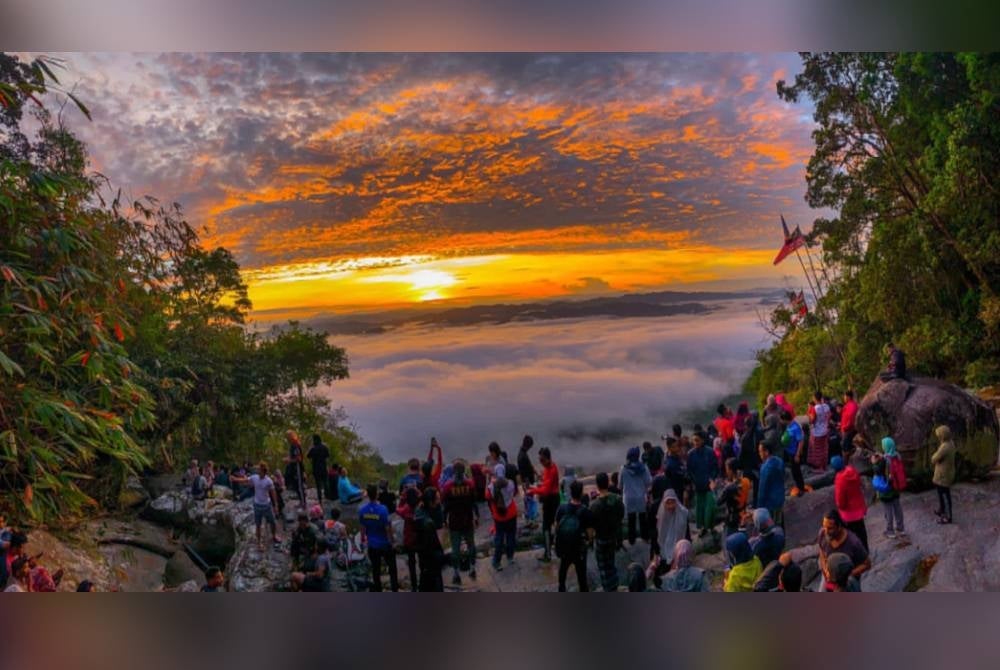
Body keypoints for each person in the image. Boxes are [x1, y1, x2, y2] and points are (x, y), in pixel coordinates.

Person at [441, 461, 479, 585]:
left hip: (454, 522)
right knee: (471, 545)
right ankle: (472, 568)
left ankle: (456, 574)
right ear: (464, 471)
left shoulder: (448, 487)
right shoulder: (470, 484)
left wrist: (444, 520)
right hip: (467, 520)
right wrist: (476, 516)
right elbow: (474, 502)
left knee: (455, 549)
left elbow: (445, 505)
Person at [554, 480, 595, 592]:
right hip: (579, 549)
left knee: (563, 569)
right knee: (581, 576)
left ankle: (561, 588)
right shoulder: (586, 512)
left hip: (564, 547)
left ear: (570, 492)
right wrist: (588, 543)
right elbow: (590, 534)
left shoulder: (562, 508)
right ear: (581, 493)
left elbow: (556, 528)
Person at [817, 509, 871, 591]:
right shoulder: (822, 534)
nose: (826, 531)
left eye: (830, 528)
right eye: (824, 526)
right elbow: (821, 552)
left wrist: (846, 575)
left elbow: (867, 564)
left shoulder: (853, 542)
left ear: (839, 526)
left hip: (848, 581)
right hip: (828, 578)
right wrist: (825, 569)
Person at [359, 483, 398, 592]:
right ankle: (395, 589)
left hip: (372, 544)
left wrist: (363, 540)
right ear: (376, 495)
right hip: (385, 544)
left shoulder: (362, 510)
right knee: (392, 569)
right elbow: (387, 528)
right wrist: (393, 542)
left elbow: (362, 528)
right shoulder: (383, 509)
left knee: (375, 570)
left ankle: (378, 590)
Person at [589, 472, 625, 591]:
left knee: (603, 567)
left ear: (597, 485)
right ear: (608, 482)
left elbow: (592, 526)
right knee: (611, 563)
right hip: (613, 537)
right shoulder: (618, 500)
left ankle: (608, 589)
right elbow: (621, 517)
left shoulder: (594, 506)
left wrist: (590, 541)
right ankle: (614, 585)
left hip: (601, 539)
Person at [527, 447, 560, 563]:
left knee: (546, 526)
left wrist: (533, 491)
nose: (541, 462)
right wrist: (536, 487)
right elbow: (544, 484)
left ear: (547, 459)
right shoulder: (547, 468)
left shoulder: (552, 470)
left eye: (542, 460)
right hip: (549, 499)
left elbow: (546, 490)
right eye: (539, 460)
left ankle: (548, 554)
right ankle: (551, 549)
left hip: (552, 500)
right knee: (550, 525)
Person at [832, 455, 869, 551]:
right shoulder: (852, 471)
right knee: (861, 531)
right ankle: (866, 550)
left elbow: (840, 499)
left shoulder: (840, 479)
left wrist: (840, 507)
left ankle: (859, 555)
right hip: (859, 508)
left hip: (849, 513)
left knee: (852, 536)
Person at [872, 437, 907, 538]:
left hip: (887, 489)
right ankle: (901, 529)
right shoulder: (897, 455)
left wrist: (874, 462)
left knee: (888, 510)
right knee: (897, 508)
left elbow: (877, 471)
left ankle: (890, 530)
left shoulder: (884, 460)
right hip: (896, 487)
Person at [486, 464, 518, 571]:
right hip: (511, 514)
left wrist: (491, 481)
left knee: (499, 538)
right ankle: (510, 557)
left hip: (499, 517)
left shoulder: (490, 487)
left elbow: (487, 497)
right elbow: (513, 494)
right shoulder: (511, 484)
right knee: (511, 536)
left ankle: (497, 562)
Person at [686, 434, 718, 537]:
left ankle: (712, 526)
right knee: (700, 508)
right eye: (694, 440)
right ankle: (702, 528)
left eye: (697, 440)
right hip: (698, 485)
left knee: (711, 507)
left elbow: (715, 467)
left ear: (703, 440)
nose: (695, 443)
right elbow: (689, 470)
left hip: (709, 485)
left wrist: (712, 479)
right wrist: (693, 482)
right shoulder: (691, 454)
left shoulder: (710, 452)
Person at [415, 486, 445, 592]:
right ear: (430, 501)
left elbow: (440, 528)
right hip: (426, 552)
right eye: (436, 499)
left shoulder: (437, 509)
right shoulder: (422, 517)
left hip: (432, 550)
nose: (439, 500)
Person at [620, 446, 652, 545]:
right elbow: (648, 482)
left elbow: (620, 484)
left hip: (628, 498)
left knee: (631, 518)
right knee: (643, 517)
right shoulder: (644, 467)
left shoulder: (623, 469)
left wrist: (623, 491)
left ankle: (631, 540)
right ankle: (645, 537)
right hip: (640, 497)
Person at [714, 458, 750, 538]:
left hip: (732, 519)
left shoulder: (729, 488)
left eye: (727, 469)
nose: (726, 472)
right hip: (743, 516)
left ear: (730, 470)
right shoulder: (746, 481)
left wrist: (714, 489)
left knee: (730, 542)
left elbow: (718, 502)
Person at [249, 462, 281, 549]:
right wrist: (235, 479)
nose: (257, 470)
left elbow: (273, 493)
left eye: (259, 469)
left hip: (267, 505)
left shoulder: (268, 481)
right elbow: (245, 480)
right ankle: (259, 542)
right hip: (257, 505)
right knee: (258, 525)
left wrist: (276, 506)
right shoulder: (254, 477)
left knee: (272, 522)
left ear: (263, 470)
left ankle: (274, 535)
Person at [654, 489, 690, 565]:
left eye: (672, 502)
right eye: (668, 503)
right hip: (665, 545)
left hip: (679, 545)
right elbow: (659, 533)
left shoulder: (683, 513)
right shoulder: (661, 514)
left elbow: (686, 533)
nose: (670, 506)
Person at [395, 487, 421, 591]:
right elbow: (420, 494)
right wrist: (415, 489)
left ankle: (414, 586)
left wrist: (402, 498)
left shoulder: (406, 510)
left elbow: (398, 509)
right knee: (422, 561)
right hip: (420, 538)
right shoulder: (420, 509)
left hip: (409, 540)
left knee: (411, 563)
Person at [931, 425, 957, 524]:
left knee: (945, 495)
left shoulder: (945, 447)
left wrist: (934, 456)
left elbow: (934, 459)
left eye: (939, 435)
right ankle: (941, 509)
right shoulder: (950, 443)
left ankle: (948, 517)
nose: (938, 437)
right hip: (945, 473)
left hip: (943, 475)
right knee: (941, 494)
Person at [756, 443, 785, 526]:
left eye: (760, 451)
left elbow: (762, 489)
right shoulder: (779, 461)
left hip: (770, 502)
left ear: (767, 452)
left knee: (771, 525)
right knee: (780, 522)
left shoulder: (765, 468)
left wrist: (759, 507)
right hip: (780, 497)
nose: (759, 454)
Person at [781, 411, 808, 496]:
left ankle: (801, 488)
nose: (781, 422)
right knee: (794, 471)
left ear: (786, 419)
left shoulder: (795, 427)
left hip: (794, 453)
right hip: (789, 452)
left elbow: (801, 441)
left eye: (782, 420)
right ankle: (798, 486)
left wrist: (797, 454)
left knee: (797, 472)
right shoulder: (789, 425)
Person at [808, 390, 831, 470]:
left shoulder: (814, 408)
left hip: (817, 432)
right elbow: (828, 417)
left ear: (814, 398)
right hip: (825, 430)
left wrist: (809, 415)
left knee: (817, 450)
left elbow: (812, 420)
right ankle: (824, 465)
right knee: (824, 449)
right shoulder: (826, 406)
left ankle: (819, 467)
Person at [284, 430, 306, 507]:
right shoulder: (292, 445)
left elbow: (299, 459)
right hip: (293, 468)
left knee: (299, 486)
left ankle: (303, 503)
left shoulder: (296, 445)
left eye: (288, 437)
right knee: (296, 486)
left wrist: (289, 460)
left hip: (298, 469)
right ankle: (301, 502)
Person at [306, 434, 330, 505]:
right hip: (324, 467)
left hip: (316, 469)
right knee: (326, 483)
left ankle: (320, 500)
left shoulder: (313, 448)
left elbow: (308, 456)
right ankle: (327, 497)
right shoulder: (324, 447)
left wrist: (311, 447)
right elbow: (328, 455)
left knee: (318, 485)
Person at [840, 390, 859, 456]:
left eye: (844, 396)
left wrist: (845, 427)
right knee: (845, 447)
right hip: (845, 429)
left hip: (848, 430)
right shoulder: (847, 405)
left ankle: (847, 464)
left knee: (846, 449)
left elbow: (851, 418)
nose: (844, 398)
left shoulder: (852, 406)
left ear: (848, 397)